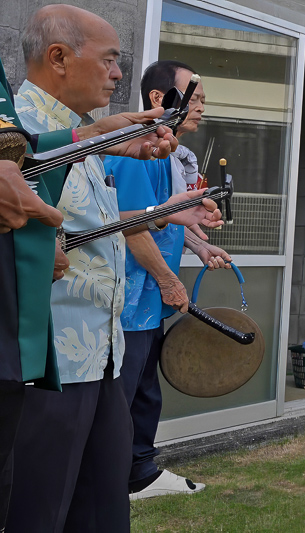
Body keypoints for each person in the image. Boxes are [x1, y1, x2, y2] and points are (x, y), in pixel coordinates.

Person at [5, 5, 223, 532]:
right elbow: (36, 232)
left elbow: (96, 225)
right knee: (39, 513)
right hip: (47, 369)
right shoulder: (15, 134)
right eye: (109, 60)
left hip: (103, 355)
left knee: (103, 510)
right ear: (58, 58)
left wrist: (171, 210)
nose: (119, 73)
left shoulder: (82, 135)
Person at [105, 59, 231, 500]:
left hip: (149, 299)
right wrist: (168, 281)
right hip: (130, 297)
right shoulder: (134, 150)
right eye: (194, 99)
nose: (200, 109)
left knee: (143, 391)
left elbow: (165, 215)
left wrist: (200, 246)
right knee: (124, 394)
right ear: (159, 100)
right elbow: (130, 224)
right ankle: (118, 477)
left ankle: (139, 473)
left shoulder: (167, 152)